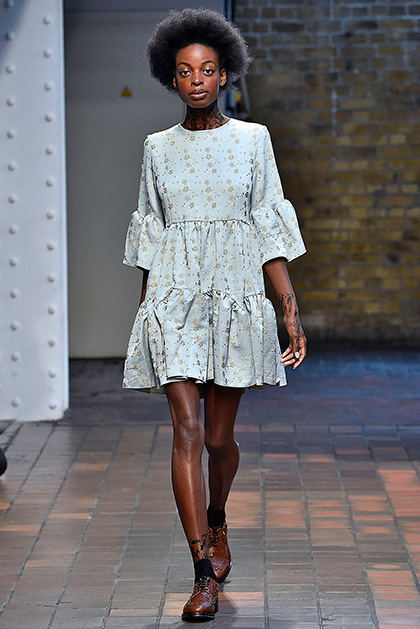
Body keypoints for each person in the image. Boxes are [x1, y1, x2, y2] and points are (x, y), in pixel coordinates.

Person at [122, 8, 307, 622]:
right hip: (173, 298)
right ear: (170, 77)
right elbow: (151, 234)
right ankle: (202, 571)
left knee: (219, 440)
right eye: (184, 71)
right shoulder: (157, 149)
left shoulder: (253, 141)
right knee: (186, 430)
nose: (196, 80)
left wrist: (289, 312)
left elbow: (268, 228)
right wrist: (146, 314)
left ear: (225, 74)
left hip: (233, 295)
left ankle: (218, 517)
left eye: (206, 70)